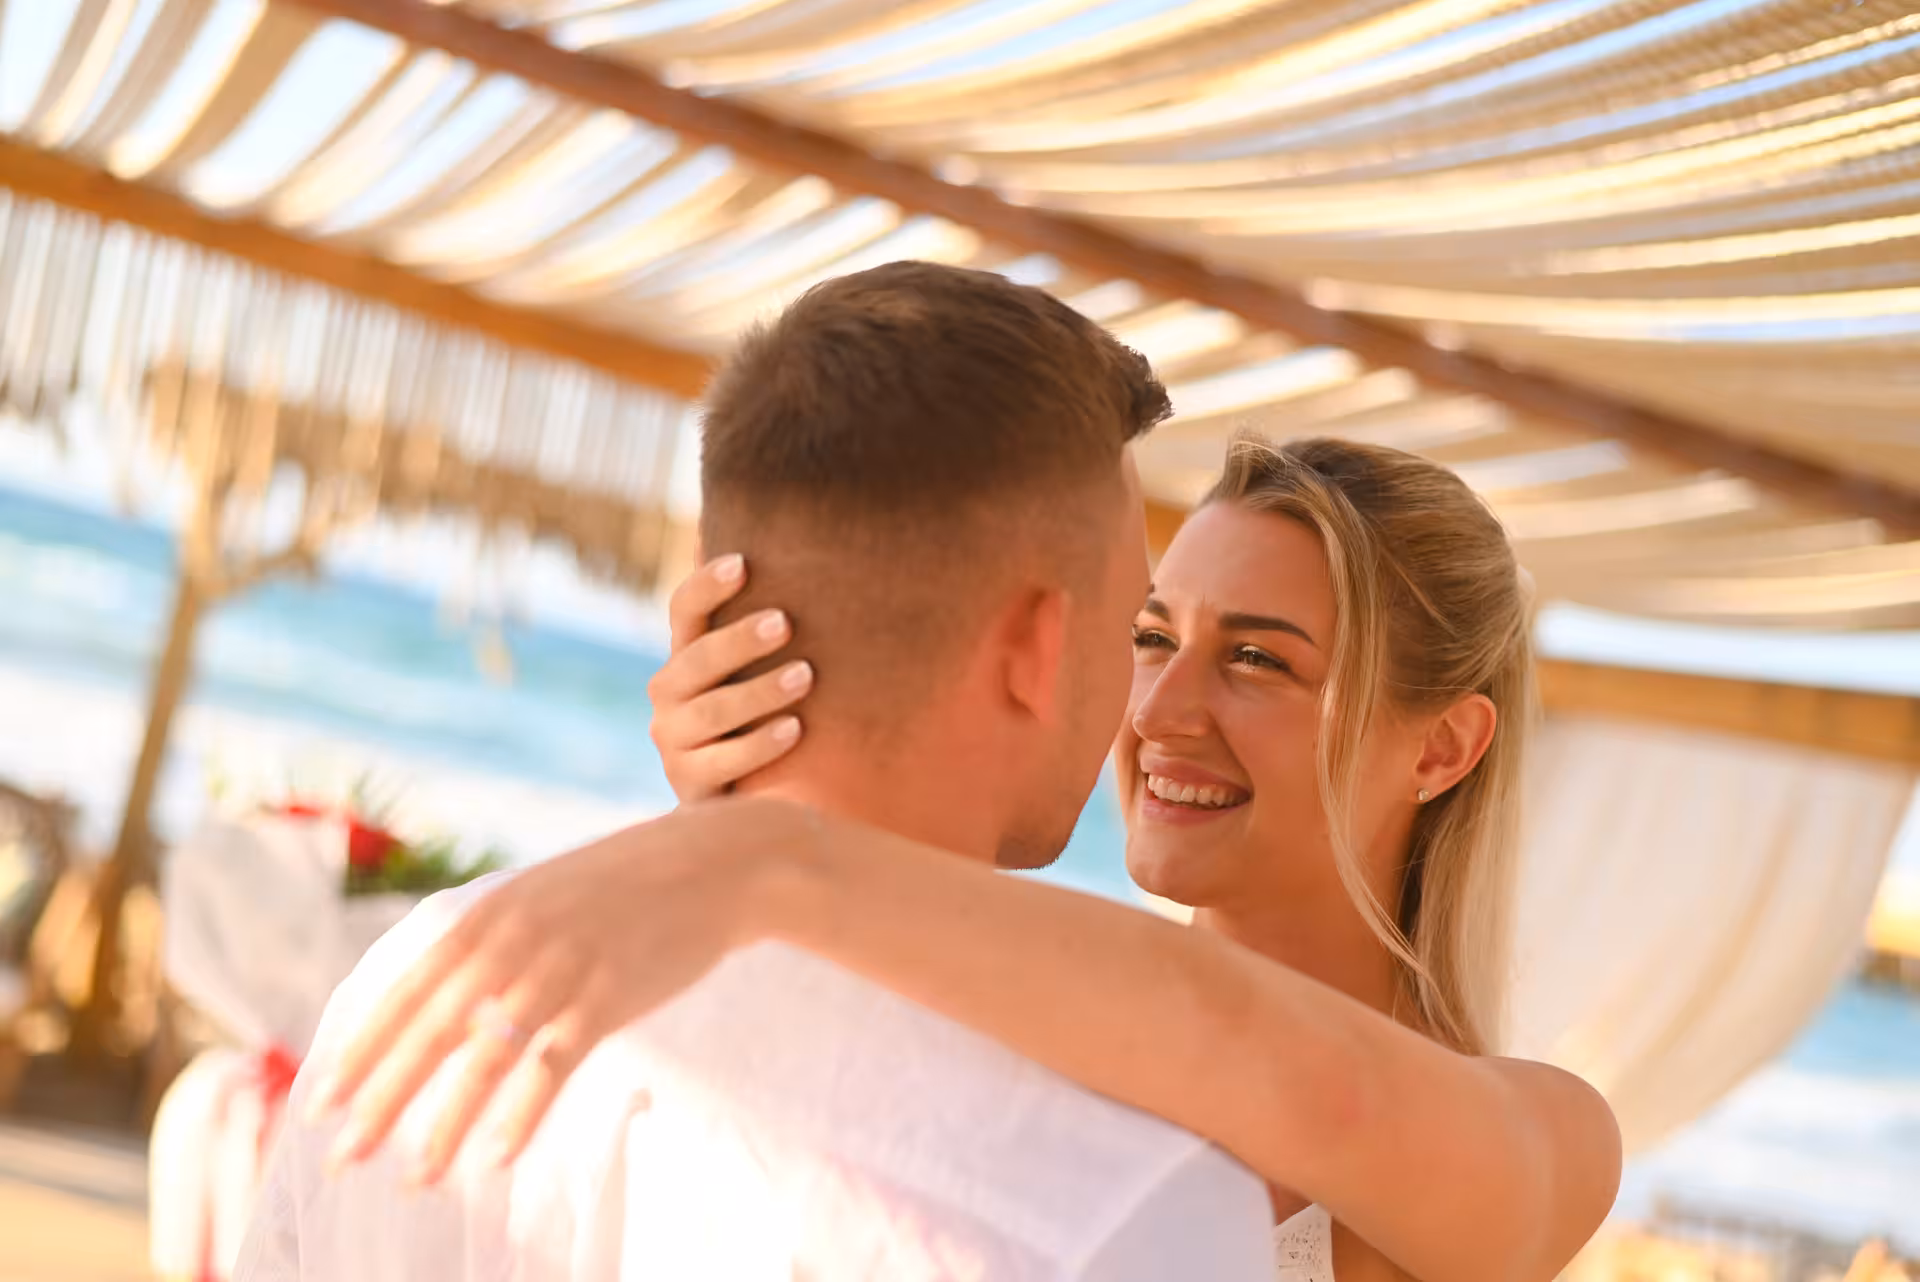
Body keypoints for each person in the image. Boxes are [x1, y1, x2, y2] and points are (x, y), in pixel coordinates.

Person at [309, 385, 1626, 1278]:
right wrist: (759, 785)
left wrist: (766, 860)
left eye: (1260, 661)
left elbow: (1300, 1077)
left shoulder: (1551, 1140)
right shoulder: (1038, 1013)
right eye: (1152, 635)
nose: (1158, 707)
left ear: (1443, 744)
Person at [236, 261, 1279, 1282]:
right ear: (1038, 645)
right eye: (1131, 621)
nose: (1143, 698)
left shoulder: (419, 980)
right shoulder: (1131, 1203)